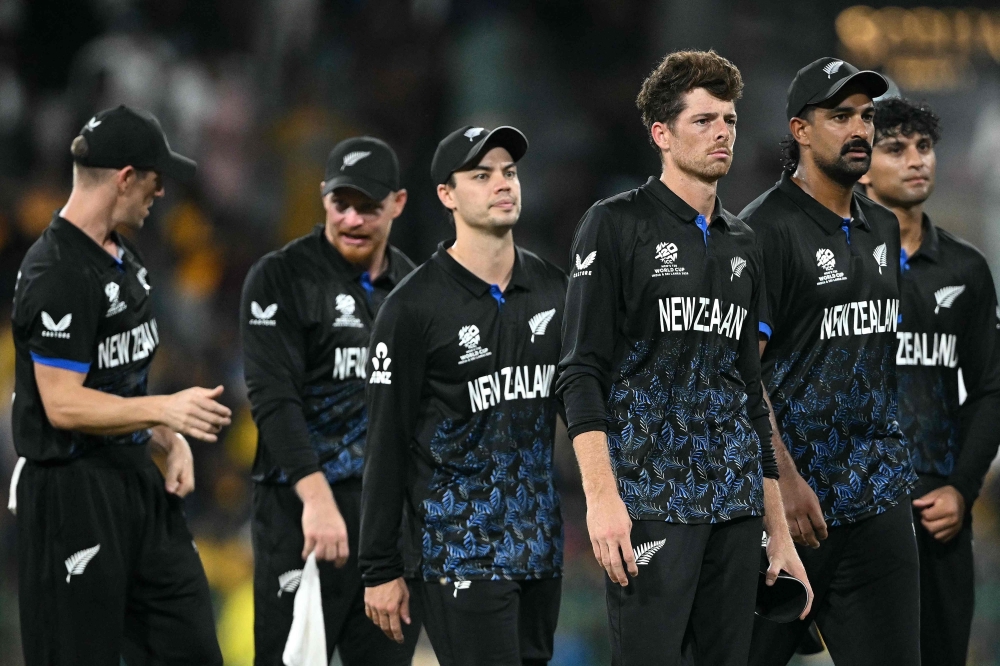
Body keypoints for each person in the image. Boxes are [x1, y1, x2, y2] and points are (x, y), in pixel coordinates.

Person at [556, 50, 809, 666]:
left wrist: (777, 529)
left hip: (735, 506)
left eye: (729, 119)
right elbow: (579, 370)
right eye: (703, 120)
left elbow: (751, 390)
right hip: (649, 500)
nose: (722, 131)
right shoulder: (615, 225)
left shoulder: (743, 243)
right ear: (661, 134)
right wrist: (601, 497)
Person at [10, 105, 231, 666]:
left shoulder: (124, 254)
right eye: (155, 183)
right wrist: (165, 409)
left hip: (132, 479)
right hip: (71, 490)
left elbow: (113, 381)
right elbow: (61, 403)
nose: (161, 196)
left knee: (192, 649)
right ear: (125, 177)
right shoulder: (56, 271)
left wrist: (163, 433)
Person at [360, 125, 565, 665]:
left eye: (509, 173)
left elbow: (589, 411)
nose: (502, 184)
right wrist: (380, 567)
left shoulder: (556, 290)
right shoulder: (411, 309)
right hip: (458, 550)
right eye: (481, 176)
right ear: (447, 196)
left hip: (540, 547)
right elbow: (385, 443)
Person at [742, 58, 921, 666]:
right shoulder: (763, 232)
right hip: (792, 512)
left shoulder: (882, 228)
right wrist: (784, 481)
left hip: (877, 500)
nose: (859, 130)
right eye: (839, 116)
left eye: (867, 116)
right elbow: (742, 372)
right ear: (799, 130)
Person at [241, 136, 422, 664]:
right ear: (323, 198)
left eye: (368, 207)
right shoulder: (280, 278)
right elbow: (273, 398)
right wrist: (316, 500)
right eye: (341, 204)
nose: (352, 219)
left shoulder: (415, 288)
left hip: (387, 520)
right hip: (298, 509)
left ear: (398, 204)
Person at [860, 96, 1000, 666]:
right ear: (862, 166)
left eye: (924, 147)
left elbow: (991, 388)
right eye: (896, 149)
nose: (917, 160)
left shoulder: (966, 271)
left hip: (937, 516)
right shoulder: (832, 263)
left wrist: (962, 489)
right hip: (848, 513)